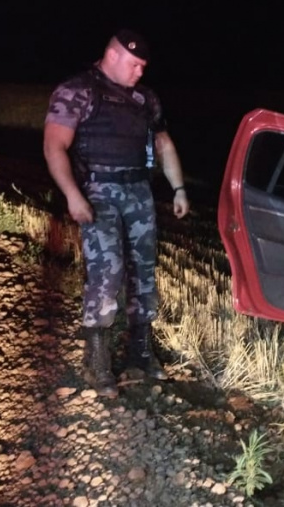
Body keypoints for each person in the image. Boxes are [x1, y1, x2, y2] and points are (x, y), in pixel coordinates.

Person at [43, 29, 189, 398]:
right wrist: (73, 197)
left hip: (138, 191)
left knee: (144, 272)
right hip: (97, 193)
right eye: (134, 64)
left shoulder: (145, 98)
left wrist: (179, 188)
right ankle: (96, 360)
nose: (140, 71)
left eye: (143, 66)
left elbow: (164, 143)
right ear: (111, 55)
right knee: (106, 274)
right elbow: (54, 146)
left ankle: (141, 350)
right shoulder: (78, 90)